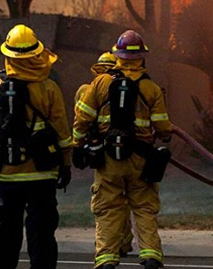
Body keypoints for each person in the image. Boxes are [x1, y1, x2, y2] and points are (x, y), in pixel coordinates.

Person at [0, 24, 74, 269]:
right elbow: (62, 133)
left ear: (8, 55)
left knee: (5, 230)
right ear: (36, 54)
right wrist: (66, 165)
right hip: (43, 174)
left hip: (7, 175)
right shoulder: (49, 88)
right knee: (41, 232)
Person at [73, 30, 172, 269]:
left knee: (108, 207)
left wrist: (77, 146)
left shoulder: (101, 83)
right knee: (144, 207)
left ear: (117, 55)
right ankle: (150, 256)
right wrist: (163, 134)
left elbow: (82, 118)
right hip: (140, 159)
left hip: (108, 160)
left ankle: (107, 258)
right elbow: (162, 127)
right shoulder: (151, 88)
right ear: (141, 57)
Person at [74, 51, 135, 258]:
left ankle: (110, 248)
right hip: (128, 150)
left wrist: (77, 144)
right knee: (124, 199)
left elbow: (81, 118)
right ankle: (123, 242)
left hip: (100, 151)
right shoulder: (129, 86)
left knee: (107, 202)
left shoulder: (89, 88)